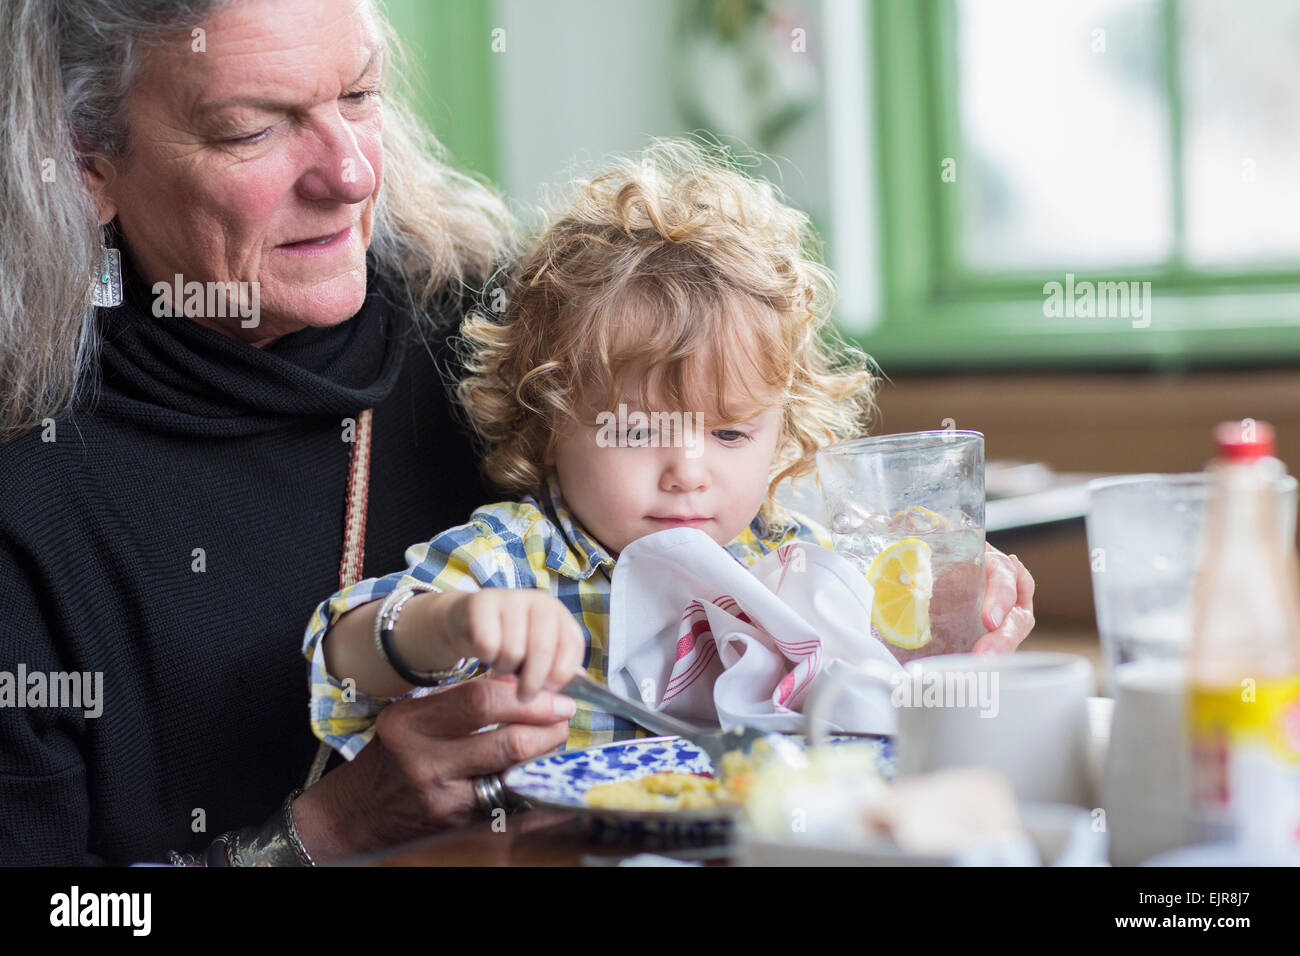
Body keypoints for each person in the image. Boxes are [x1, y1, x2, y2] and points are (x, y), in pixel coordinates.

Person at [0, 0, 578, 866]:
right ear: (88, 164)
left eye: (357, 94)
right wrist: (331, 831)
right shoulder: (29, 498)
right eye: (250, 131)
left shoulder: (511, 343)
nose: (349, 174)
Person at [302, 140, 1038, 767]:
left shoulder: (795, 562)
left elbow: (884, 706)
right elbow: (341, 654)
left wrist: (953, 644)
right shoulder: (515, 561)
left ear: (784, 431)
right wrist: (451, 624)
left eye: (730, 434)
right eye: (639, 430)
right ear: (548, 417)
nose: (688, 469)